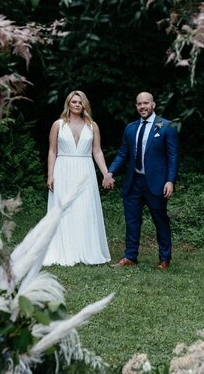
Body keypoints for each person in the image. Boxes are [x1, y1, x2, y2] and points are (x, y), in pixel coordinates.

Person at [103, 92, 179, 270]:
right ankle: (130, 257)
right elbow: (123, 153)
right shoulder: (130, 128)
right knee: (132, 221)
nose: (142, 107)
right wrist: (109, 172)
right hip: (134, 182)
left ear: (153, 105)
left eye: (146, 103)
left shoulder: (166, 126)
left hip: (157, 183)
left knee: (160, 221)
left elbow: (173, 157)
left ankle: (164, 259)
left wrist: (170, 181)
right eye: (139, 104)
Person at [43, 91, 111, 266]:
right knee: (64, 208)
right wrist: (50, 175)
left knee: (85, 208)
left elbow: (97, 151)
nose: (77, 105)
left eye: (80, 102)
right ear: (68, 104)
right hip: (63, 170)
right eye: (74, 102)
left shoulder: (92, 126)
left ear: (84, 105)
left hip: (85, 170)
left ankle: (85, 250)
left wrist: (106, 173)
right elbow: (52, 151)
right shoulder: (58, 125)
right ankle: (64, 250)